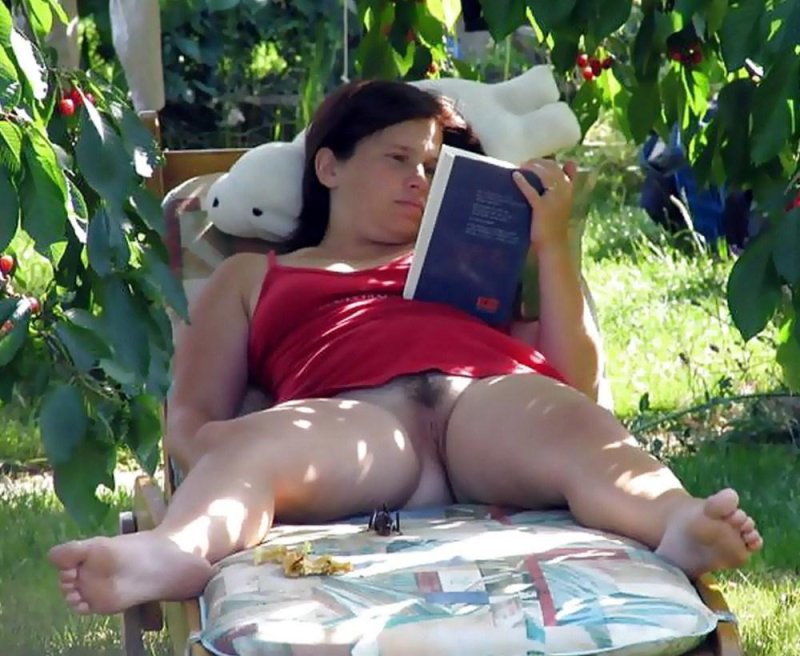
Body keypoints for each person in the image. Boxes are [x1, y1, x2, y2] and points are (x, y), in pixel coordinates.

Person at [49, 80, 762, 616]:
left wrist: (550, 246)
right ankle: (175, 552)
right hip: (356, 422)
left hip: (484, 407)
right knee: (257, 443)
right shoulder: (252, 274)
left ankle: (676, 519)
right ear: (329, 167)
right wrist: (246, 456)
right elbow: (192, 417)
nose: (419, 179)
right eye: (398, 158)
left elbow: (576, 382)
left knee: (578, 427)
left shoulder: (473, 261)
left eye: (432, 164)